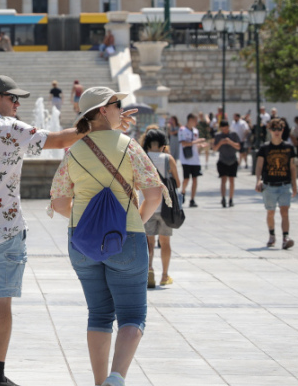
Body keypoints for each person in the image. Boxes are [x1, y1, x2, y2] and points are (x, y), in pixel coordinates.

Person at [0, 76, 93, 386]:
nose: (18, 104)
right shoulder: (8, 128)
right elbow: (61, 140)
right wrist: (94, 123)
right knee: (1, 300)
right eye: (13, 98)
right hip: (4, 229)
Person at [50, 87, 162, 386]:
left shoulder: (74, 151)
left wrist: (88, 223)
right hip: (125, 238)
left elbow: (59, 203)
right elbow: (154, 193)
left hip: (82, 242)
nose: (120, 109)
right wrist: (134, 220)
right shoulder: (129, 146)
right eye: (117, 104)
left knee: (98, 314)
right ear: (103, 110)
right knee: (133, 315)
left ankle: (100, 383)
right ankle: (116, 378)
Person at [139, 128, 182, 290]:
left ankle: (149, 269)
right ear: (163, 143)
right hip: (165, 206)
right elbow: (177, 183)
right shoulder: (168, 159)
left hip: (146, 205)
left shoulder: (142, 158)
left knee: (149, 241)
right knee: (165, 242)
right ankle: (164, 276)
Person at [255, 118, 298, 249]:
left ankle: (286, 237)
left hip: (284, 185)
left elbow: (292, 167)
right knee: (270, 212)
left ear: (282, 130)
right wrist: (258, 180)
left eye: (279, 129)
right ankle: (272, 235)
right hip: (269, 186)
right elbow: (259, 166)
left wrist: (294, 185)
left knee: (285, 211)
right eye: (274, 129)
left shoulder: (289, 148)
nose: (276, 132)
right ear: (270, 131)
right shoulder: (264, 148)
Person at [178, 114, 206, 208]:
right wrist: (196, 142)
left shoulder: (195, 131)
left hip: (195, 159)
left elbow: (194, 144)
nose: (196, 122)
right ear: (190, 120)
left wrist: (200, 145)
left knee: (195, 179)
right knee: (186, 178)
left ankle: (192, 199)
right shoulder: (182, 130)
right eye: (195, 120)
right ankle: (183, 191)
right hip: (186, 159)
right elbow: (184, 143)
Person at [213, 119, 241, 208]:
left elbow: (238, 147)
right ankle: (223, 198)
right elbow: (214, 149)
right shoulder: (218, 136)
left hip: (233, 160)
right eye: (222, 128)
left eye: (225, 128)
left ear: (228, 127)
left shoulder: (233, 135)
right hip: (222, 160)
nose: (224, 130)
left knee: (232, 180)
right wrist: (220, 143)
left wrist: (230, 142)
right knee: (223, 180)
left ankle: (231, 199)